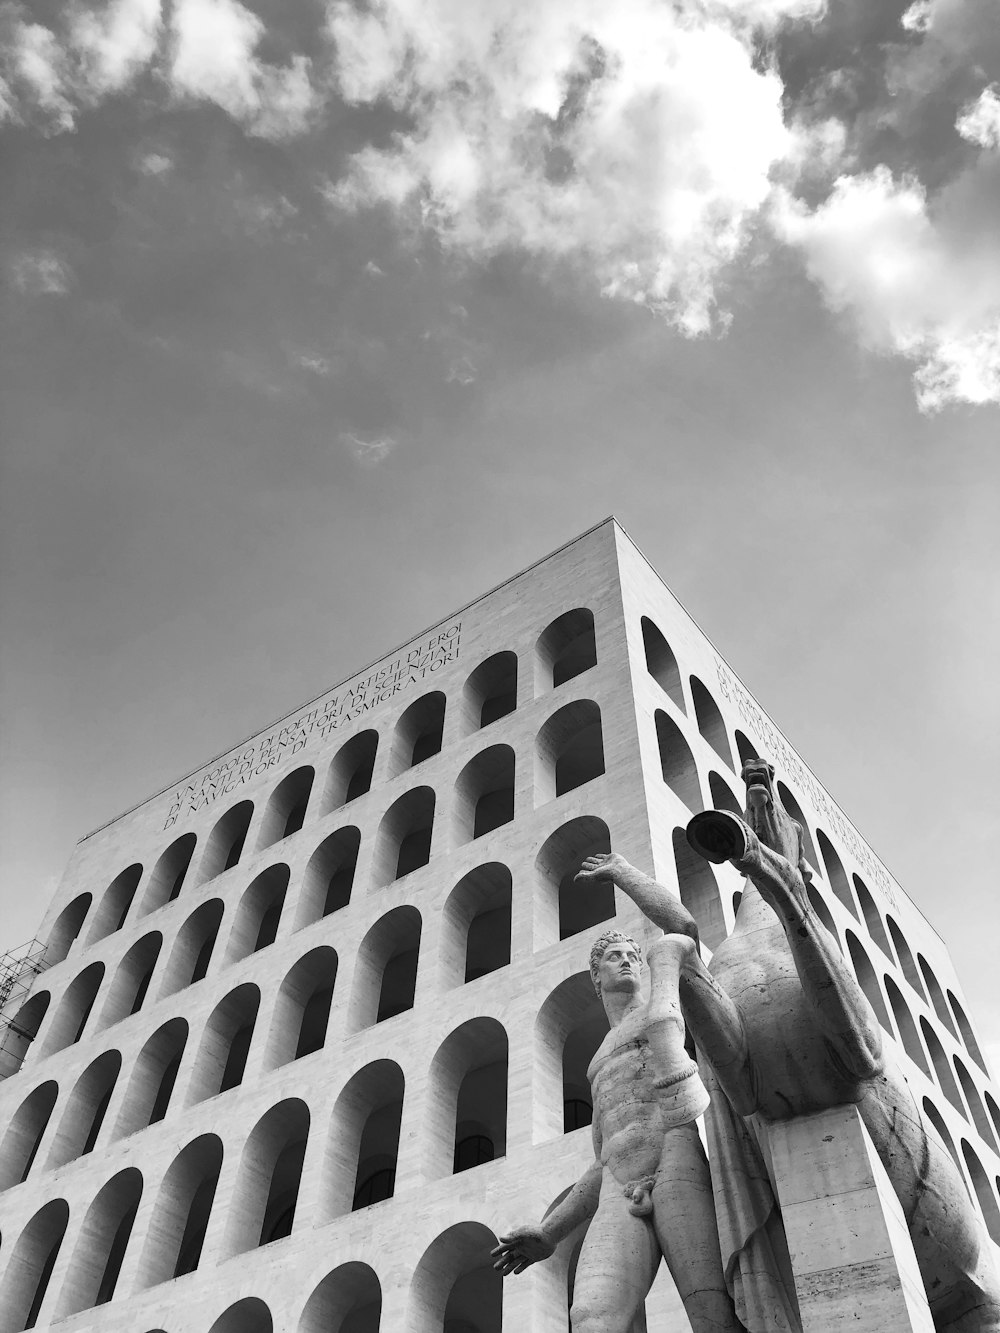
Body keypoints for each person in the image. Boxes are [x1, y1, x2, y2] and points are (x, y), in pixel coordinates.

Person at [492, 917, 743, 1333]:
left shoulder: (663, 1013)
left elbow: (688, 939)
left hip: (676, 1163)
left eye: (631, 957)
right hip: (617, 1185)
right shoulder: (596, 1060)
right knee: (590, 1316)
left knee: (713, 1312)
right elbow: (603, 1158)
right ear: (596, 975)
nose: (627, 962)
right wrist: (550, 1232)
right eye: (614, 958)